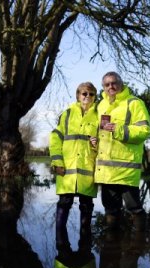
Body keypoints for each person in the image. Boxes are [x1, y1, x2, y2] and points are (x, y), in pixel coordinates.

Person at [95, 71, 150, 230]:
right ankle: (112, 247)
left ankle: (137, 247)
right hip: (106, 172)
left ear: (121, 83)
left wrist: (119, 130)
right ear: (103, 88)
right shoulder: (101, 106)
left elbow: (145, 131)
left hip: (126, 170)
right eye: (107, 84)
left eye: (114, 83)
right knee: (110, 210)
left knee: (135, 209)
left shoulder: (134, 103)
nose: (110, 87)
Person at [49, 82, 99, 249]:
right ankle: (61, 247)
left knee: (87, 206)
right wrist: (57, 162)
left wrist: (96, 143)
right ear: (78, 95)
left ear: (95, 97)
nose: (87, 96)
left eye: (91, 94)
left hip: (88, 171)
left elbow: (106, 143)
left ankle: (85, 248)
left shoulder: (100, 115)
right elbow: (56, 138)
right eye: (84, 93)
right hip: (67, 170)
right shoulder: (68, 114)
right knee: (64, 202)